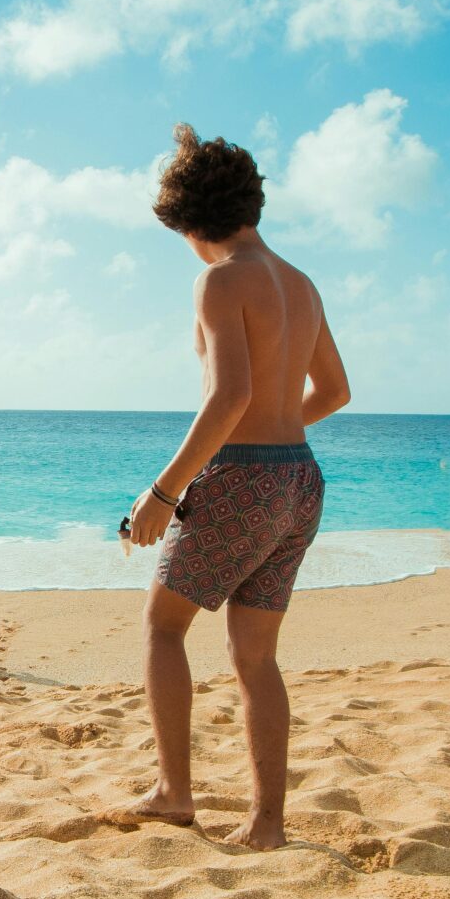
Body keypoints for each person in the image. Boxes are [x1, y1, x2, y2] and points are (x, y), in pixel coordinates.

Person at [122, 126, 350, 847]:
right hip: (300, 480)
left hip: (245, 476)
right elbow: (335, 392)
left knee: (164, 626)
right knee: (255, 656)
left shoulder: (220, 279)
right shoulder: (302, 283)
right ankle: (266, 824)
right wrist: (278, 435)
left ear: (190, 222)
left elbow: (228, 396)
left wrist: (164, 492)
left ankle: (174, 793)